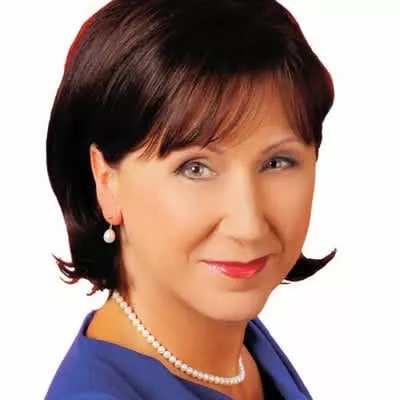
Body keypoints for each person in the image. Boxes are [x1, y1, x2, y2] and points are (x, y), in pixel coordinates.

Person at [44, 0, 337, 398]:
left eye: (277, 162)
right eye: (195, 168)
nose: (249, 225)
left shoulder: (235, 344)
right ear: (106, 181)